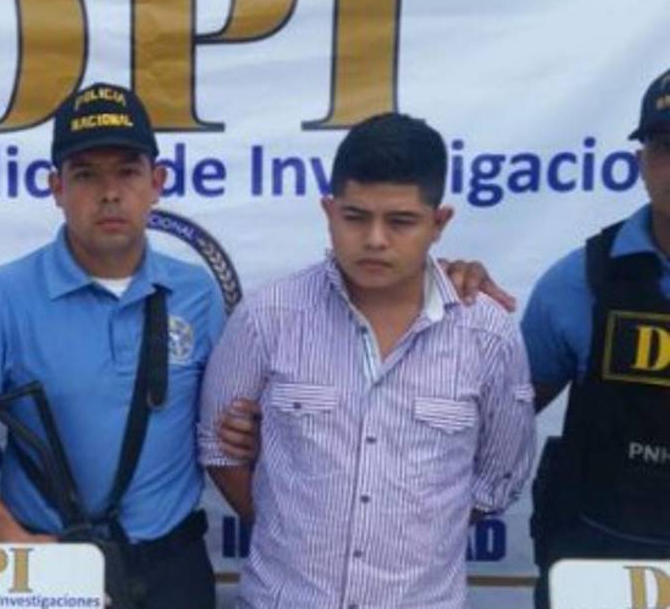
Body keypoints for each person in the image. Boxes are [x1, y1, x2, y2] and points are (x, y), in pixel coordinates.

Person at [199, 113, 536, 609]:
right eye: (356, 217)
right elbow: (219, 448)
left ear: (439, 223)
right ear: (329, 211)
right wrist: (288, 532)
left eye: (401, 221)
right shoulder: (267, 317)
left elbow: (499, 478)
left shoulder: (487, 335)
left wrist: (417, 538)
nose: (376, 239)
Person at [0, 82, 226, 608]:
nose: (109, 193)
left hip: (173, 571)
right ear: (56, 187)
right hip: (50, 567)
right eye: (86, 175)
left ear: (157, 182)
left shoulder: (196, 293)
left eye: (127, 172)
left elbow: (228, 427)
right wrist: (12, 542)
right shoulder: (5, 295)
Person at [523, 67, 670, 608]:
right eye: (666, 147)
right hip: (600, 567)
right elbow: (500, 419)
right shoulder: (579, 280)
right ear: (641, 162)